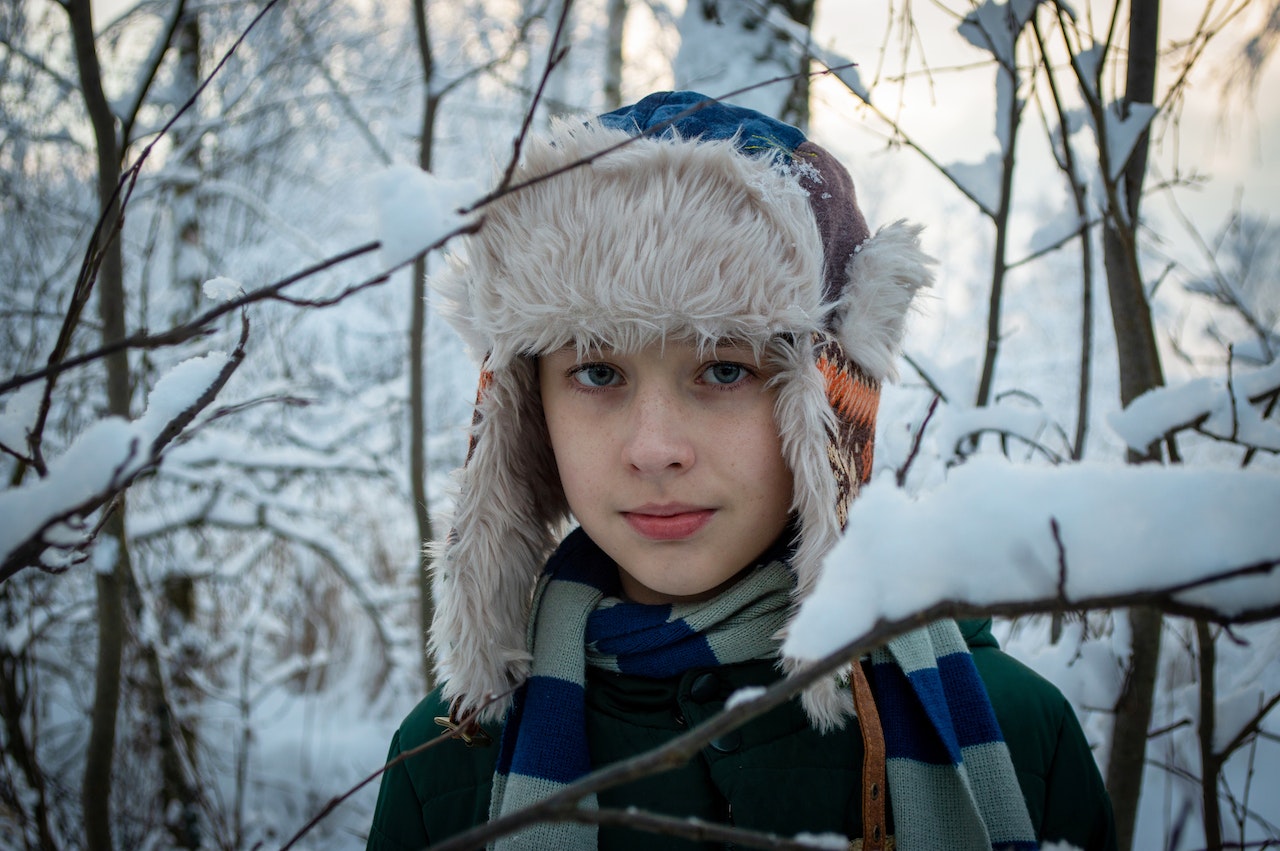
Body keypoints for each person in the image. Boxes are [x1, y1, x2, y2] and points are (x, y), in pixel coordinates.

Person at [366, 91, 1115, 851]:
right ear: (529, 412)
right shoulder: (447, 766)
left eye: (724, 370)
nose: (654, 448)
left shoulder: (1014, 734)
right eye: (597, 373)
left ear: (827, 403)